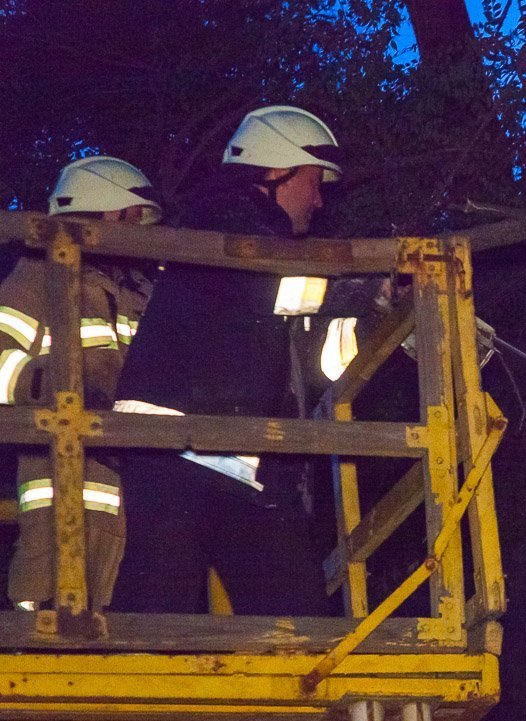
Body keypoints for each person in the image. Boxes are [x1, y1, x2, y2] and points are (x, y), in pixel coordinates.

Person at [111, 105, 351, 616]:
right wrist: (363, 286)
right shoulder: (224, 220)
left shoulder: (260, 241)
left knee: (297, 623)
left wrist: (380, 315)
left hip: (236, 457)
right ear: (276, 171)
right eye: (313, 181)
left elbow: (312, 355)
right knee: (156, 623)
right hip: (171, 446)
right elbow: (278, 290)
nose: (318, 197)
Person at [3, 156, 161, 611]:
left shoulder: (139, 296)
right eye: (135, 219)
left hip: (131, 494)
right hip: (60, 492)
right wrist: (54, 388)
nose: (141, 235)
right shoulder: (38, 276)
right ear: (110, 213)